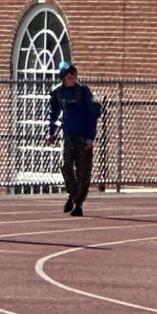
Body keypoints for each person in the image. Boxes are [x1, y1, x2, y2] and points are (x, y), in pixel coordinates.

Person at [45, 61, 100, 216]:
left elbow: (91, 115)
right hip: (68, 136)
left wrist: (90, 137)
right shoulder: (58, 93)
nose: (71, 76)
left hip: (83, 137)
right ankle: (72, 194)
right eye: (68, 74)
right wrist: (51, 133)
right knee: (65, 165)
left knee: (83, 171)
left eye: (73, 74)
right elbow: (53, 115)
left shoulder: (83, 91)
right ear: (62, 76)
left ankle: (79, 204)